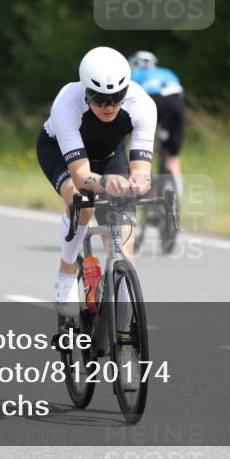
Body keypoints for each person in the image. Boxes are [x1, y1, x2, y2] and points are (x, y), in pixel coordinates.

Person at [37, 46, 157, 319]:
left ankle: (123, 330)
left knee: (123, 244)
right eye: (99, 99)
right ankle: (67, 270)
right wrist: (106, 183)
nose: (108, 106)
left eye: (116, 98)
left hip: (109, 155)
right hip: (59, 151)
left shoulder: (142, 104)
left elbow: (141, 169)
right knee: (83, 202)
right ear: (85, 90)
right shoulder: (67, 103)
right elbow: (81, 176)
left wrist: (138, 183)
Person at [128, 51, 185, 199]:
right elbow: (181, 95)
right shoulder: (167, 72)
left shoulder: (134, 75)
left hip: (152, 101)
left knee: (143, 145)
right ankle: (176, 197)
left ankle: (146, 185)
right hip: (176, 105)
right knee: (173, 156)